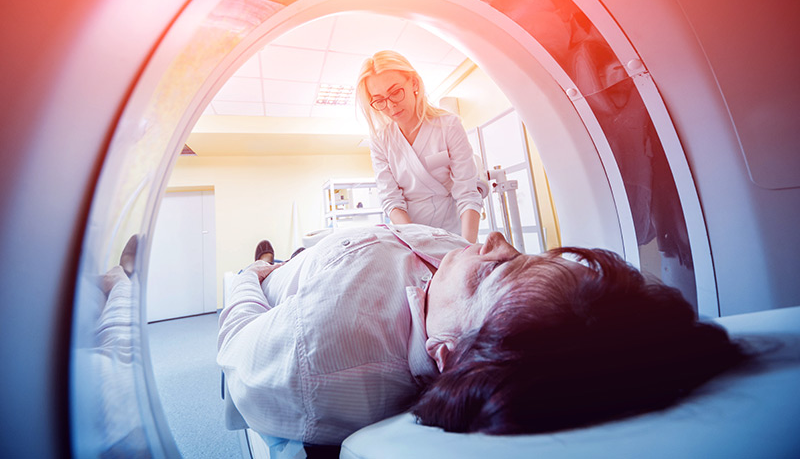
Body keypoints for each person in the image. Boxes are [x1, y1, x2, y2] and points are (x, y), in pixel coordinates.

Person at [217, 225, 745, 447]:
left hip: (287, 282)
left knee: (274, 260)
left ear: (446, 354)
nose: (493, 238)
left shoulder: (314, 358)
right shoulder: (464, 297)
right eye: (525, 256)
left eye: (494, 269)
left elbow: (237, 341)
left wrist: (250, 276)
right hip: (347, 244)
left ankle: (270, 258)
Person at [355, 51, 483, 242]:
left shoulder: (448, 126)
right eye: (380, 100)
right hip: (410, 234)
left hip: (454, 232)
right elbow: (391, 199)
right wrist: (417, 243)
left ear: (414, 83)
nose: (391, 106)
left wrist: (467, 246)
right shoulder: (381, 140)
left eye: (395, 92)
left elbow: (467, 193)